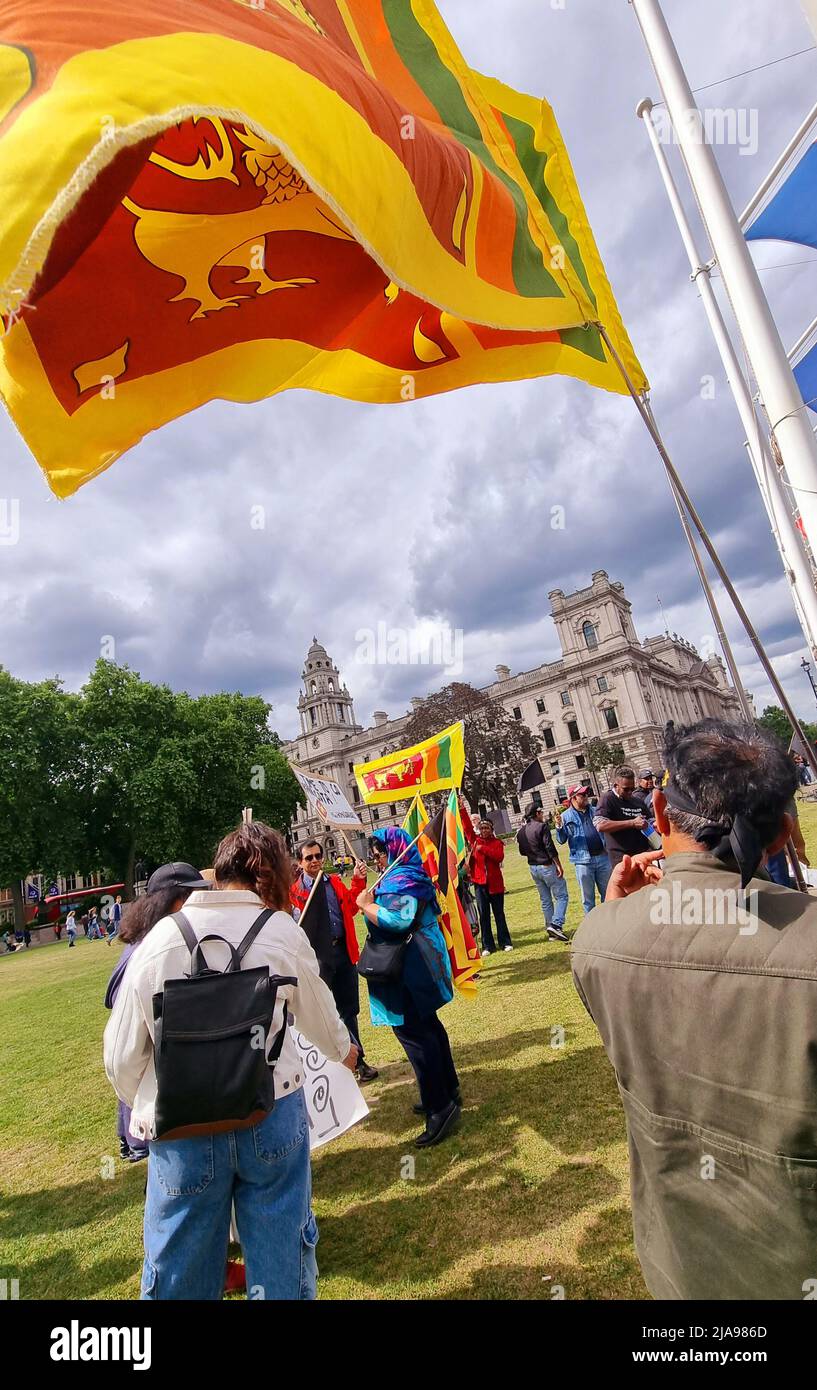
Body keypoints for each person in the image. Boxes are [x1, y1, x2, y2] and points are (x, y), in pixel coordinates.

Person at [571, 718, 817, 1301]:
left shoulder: (595, 939)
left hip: (679, 1262)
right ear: (784, 832)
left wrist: (613, 914)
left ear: (659, 812)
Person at [104, 822, 357, 1300]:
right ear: (275, 874)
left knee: (178, 1267)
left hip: (181, 1126)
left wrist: (150, 1099)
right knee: (281, 1259)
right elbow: (324, 1019)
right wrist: (346, 1052)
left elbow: (119, 1057)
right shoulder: (280, 930)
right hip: (271, 1110)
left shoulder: (160, 940)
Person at [357, 827, 460, 1147]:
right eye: (374, 852)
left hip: (408, 968)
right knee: (427, 1026)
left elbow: (397, 919)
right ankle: (446, 1090)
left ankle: (439, 1107)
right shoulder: (405, 874)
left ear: (396, 848)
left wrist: (365, 904)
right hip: (416, 963)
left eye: (379, 850)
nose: (376, 856)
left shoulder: (402, 878)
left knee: (415, 1035)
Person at [105, 864, 209, 1162]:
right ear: (174, 901)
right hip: (164, 1097)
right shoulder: (149, 949)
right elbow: (122, 1056)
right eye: (194, 895)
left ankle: (130, 1140)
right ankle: (134, 1142)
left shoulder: (156, 937)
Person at [290, 839, 378, 1084]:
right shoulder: (295, 893)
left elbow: (350, 908)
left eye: (318, 856)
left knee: (348, 1011)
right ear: (300, 862)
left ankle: (358, 1061)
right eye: (309, 858)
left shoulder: (334, 883)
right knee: (324, 1013)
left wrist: (359, 880)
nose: (315, 860)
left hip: (342, 953)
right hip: (316, 960)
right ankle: (334, 1068)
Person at [555, 785, 612, 914]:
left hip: (603, 857)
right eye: (582, 795)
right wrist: (558, 826)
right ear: (573, 798)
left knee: (609, 894)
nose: (586, 797)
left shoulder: (596, 810)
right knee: (588, 899)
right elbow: (561, 840)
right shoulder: (565, 816)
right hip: (583, 862)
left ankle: (609, 922)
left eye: (586, 794)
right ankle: (591, 928)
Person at [516, 804, 569, 942]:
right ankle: (556, 924)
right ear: (537, 813)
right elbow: (549, 847)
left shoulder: (521, 831)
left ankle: (551, 930)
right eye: (541, 812)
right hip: (546, 865)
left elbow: (522, 851)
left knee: (546, 900)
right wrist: (558, 864)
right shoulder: (542, 827)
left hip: (533, 867)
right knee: (562, 896)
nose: (543, 815)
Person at [463, 812, 512, 954]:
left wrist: (483, 849)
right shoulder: (475, 841)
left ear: (491, 830)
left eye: (487, 828)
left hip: (495, 884)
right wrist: (461, 809)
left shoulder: (497, 843)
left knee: (499, 914)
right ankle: (487, 945)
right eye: (482, 828)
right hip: (479, 884)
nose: (484, 830)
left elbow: (498, 857)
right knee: (483, 915)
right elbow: (467, 828)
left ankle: (505, 942)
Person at [592, 766, 653, 867]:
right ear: (616, 785)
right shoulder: (608, 798)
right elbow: (600, 825)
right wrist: (632, 823)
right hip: (621, 859)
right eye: (626, 789)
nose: (630, 792)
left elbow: (650, 821)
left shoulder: (637, 801)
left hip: (643, 855)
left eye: (632, 789)